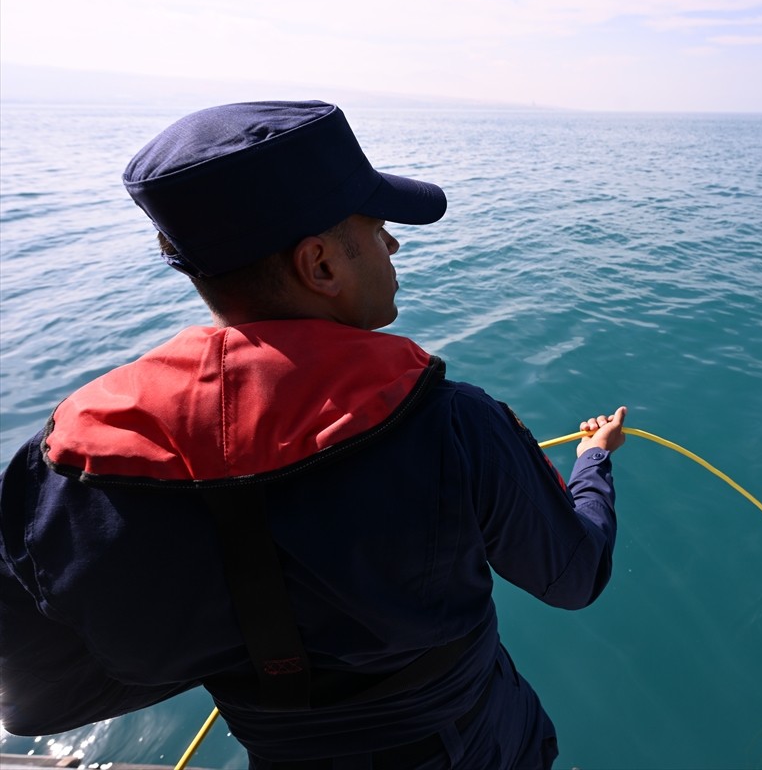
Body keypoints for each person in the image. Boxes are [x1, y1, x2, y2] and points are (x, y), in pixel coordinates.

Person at [0, 100, 626, 769]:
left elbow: (39, 700)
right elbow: (574, 575)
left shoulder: (57, 473)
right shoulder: (456, 426)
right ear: (320, 265)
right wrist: (593, 462)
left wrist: (239, 646)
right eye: (379, 227)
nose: (393, 245)